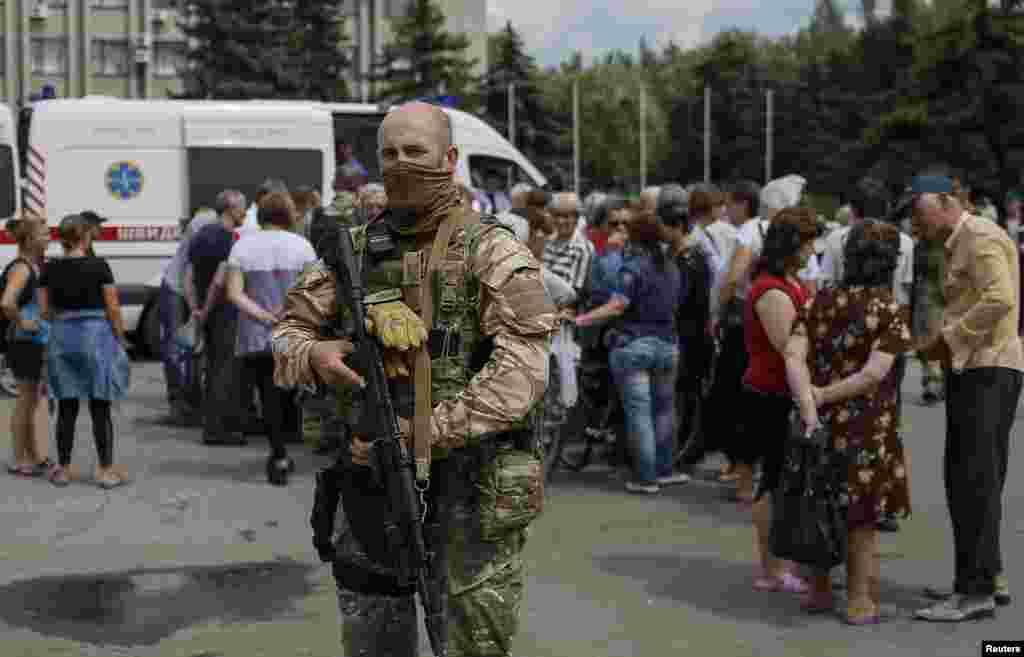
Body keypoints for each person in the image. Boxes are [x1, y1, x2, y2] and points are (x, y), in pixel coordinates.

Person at [272, 101, 554, 657]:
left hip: (468, 490)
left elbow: (522, 374)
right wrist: (318, 353)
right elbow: (285, 334)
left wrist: (421, 432)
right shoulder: (352, 249)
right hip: (370, 483)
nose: (401, 165)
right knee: (373, 636)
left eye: (415, 152)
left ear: (449, 159)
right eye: (389, 154)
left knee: (470, 642)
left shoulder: (493, 249)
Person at [785, 219, 914, 625]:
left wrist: (810, 402)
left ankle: (819, 591)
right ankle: (859, 602)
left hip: (817, 423)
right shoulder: (890, 310)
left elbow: (793, 355)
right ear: (891, 264)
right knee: (861, 518)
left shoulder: (817, 300)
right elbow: (874, 375)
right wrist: (823, 395)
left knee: (819, 504)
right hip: (866, 426)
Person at [908, 175, 1022, 622]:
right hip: (979, 366)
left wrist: (949, 338)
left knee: (972, 480)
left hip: (987, 368)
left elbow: (1001, 298)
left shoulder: (978, 236)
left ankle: (974, 590)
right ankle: (984, 576)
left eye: (919, 210)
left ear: (947, 202)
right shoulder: (961, 240)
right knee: (975, 479)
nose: (915, 222)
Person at [574, 211, 691, 493]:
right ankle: (665, 471)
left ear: (636, 236)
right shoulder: (672, 266)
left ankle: (646, 478)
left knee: (640, 414)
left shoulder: (633, 268)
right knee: (664, 410)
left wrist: (580, 320)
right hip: (667, 345)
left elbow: (617, 306)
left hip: (634, 345)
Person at [740, 206, 821, 593]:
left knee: (781, 481)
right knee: (771, 483)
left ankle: (780, 563)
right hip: (770, 393)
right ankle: (771, 569)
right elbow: (788, 346)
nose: (813, 248)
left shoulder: (787, 281)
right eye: (808, 241)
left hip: (779, 391)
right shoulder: (771, 289)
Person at [225, 191, 316, 485]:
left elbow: (234, 293)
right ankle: (287, 449)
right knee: (289, 392)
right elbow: (312, 290)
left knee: (268, 395)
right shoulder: (302, 246)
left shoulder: (242, 247)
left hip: (257, 335)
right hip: (293, 331)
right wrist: (284, 308)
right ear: (288, 214)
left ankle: (277, 453)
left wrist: (264, 315)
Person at [39, 214, 131, 488]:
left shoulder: (49, 269)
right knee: (99, 406)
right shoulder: (100, 266)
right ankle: (104, 470)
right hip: (95, 338)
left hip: (62, 339)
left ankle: (64, 469)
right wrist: (120, 338)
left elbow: (44, 311)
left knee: (67, 407)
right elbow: (112, 308)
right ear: (85, 236)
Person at [190, 191, 249, 446]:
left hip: (206, 311)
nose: (245, 213)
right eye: (242, 208)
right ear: (230, 209)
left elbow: (189, 275)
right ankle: (218, 430)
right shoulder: (229, 241)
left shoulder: (201, 234)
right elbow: (219, 280)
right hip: (223, 310)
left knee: (212, 368)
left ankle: (212, 424)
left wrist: (196, 309)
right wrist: (206, 308)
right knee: (224, 370)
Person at [1, 212, 52, 477]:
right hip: (24, 342)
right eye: (44, 233)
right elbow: (7, 302)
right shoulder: (22, 268)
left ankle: (33, 456)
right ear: (31, 239)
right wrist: (23, 321)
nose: (49, 237)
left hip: (31, 341)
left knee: (31, 401)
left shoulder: (32, 265)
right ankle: (19, 459)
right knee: (25, 400)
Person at [159, 207, 218, 425]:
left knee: (197, 348)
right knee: (175, 346)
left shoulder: (232, 226)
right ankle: (178, 404)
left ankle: (194, 402)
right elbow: (190, 267)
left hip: (196, 289)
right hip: (176, 287)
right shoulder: (204, 221)